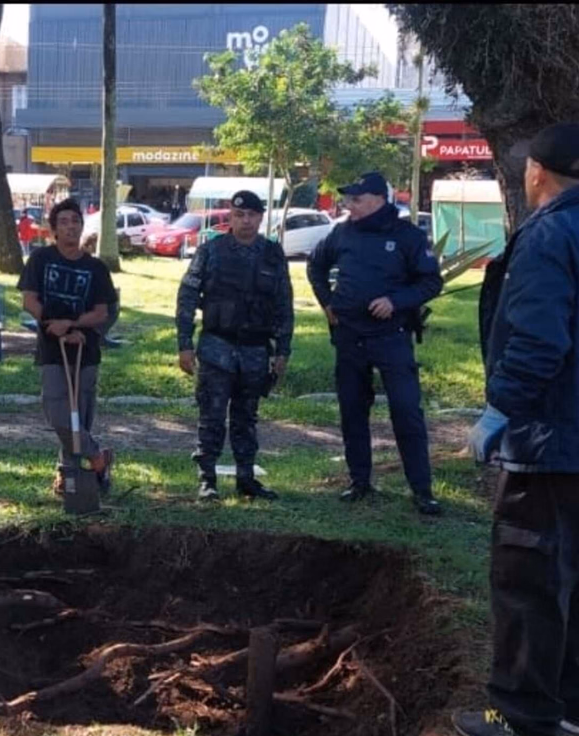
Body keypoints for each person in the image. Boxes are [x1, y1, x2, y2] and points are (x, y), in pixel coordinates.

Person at [453, 124, 579, 736]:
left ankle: (523, 722)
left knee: (528, 579)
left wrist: (497, 413)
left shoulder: (548, 236)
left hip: (555, 443)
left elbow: (537, 343)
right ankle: (571, 702)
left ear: (537, 171)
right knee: (575, 577)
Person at [307, 172, 443, 515]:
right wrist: (327, 304)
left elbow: (430, 282)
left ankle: (422, 490)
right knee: (353, 410)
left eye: (357, 200)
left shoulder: (407, 236)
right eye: (348, 200)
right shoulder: (342, 232)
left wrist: (396, 301)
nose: (348, 206)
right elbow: (315, 266)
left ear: (378, 201)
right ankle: (359, 481)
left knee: (406, 410)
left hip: (391, 337)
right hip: (350, 336)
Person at [176, 190, 293, 501]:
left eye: (252, 215)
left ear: (260, 217)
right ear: (230, 216)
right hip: (217, 345)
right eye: (239, 215)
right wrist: (184, 344)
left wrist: (283, 350)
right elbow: (187, 296)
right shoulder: (211, 251)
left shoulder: (272, 254)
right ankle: (207, 480)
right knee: (211, 416)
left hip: (255, 350)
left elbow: (283, 303)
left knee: (246, 417)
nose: (245, 221)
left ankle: (246, 478)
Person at [18, 198, 117, 497]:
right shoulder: (40, 259)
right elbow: (29, 300)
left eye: (75, 221)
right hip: (51, 349)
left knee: (80, 416)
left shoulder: (96, 267)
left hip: (86, 351)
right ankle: (98, 456)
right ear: (54, 230)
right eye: (64, 222)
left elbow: (102, 312)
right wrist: (53, 324)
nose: (71, 226)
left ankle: (69, 477)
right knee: (57, 411)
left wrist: (73, 326)